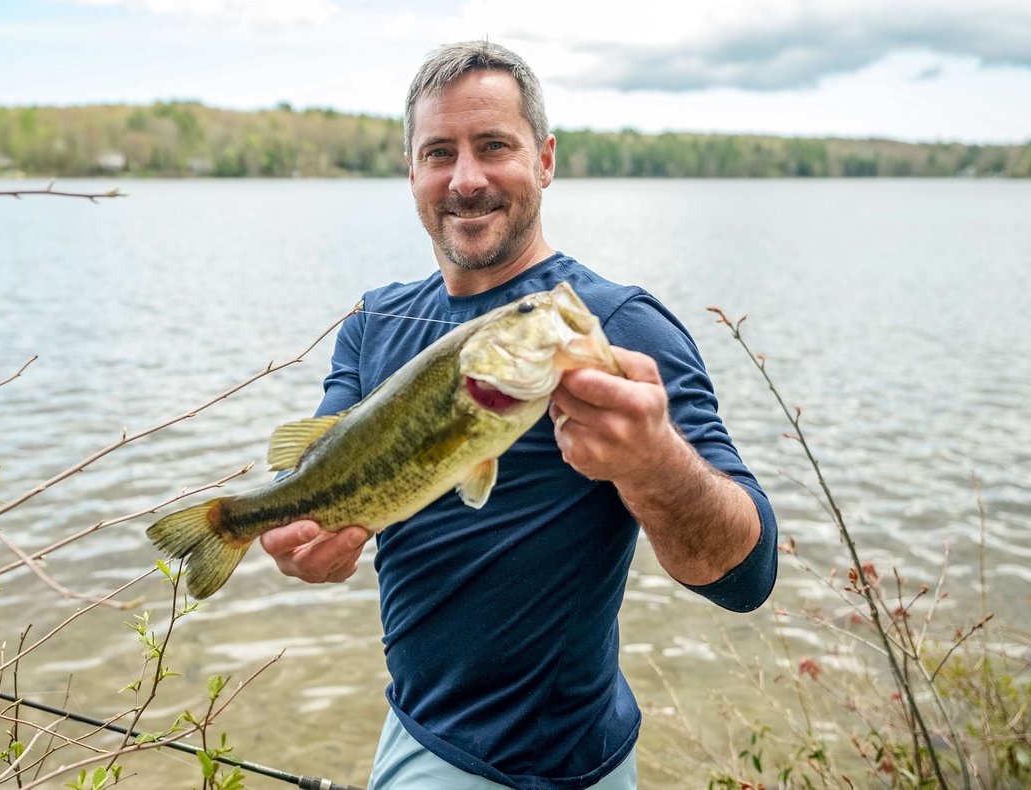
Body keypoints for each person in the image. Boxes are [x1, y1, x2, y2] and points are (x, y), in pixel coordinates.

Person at [260, 41, 778, 790]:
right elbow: (310, 470)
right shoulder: (374, 321)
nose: (466, 180)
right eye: (439, 152)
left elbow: (745, 579)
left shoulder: (614, 327)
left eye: (494, 146)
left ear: (544, 160)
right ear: (411, 170)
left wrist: (654, 459)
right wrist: (295, 533)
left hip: (558, 764)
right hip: (412, 724)